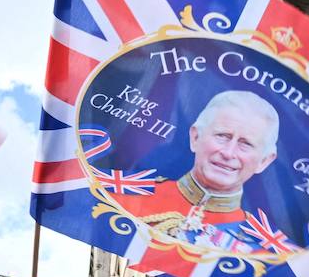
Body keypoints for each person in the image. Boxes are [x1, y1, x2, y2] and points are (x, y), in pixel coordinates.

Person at [116, 90, 279, 252]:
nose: (228, 153)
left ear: (264, 161)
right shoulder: (119, 194)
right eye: (222, 136)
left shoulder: (265, 253)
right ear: (195, 138)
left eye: (246, 144)